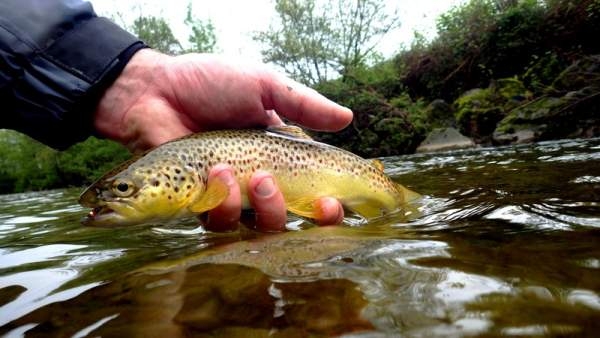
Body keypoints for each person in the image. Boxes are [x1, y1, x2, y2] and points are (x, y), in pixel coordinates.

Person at [0, 0, 352, 232]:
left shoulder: (184, 159)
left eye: (124, 188)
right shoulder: (177, 158)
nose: (117, 195)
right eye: (123, 188)